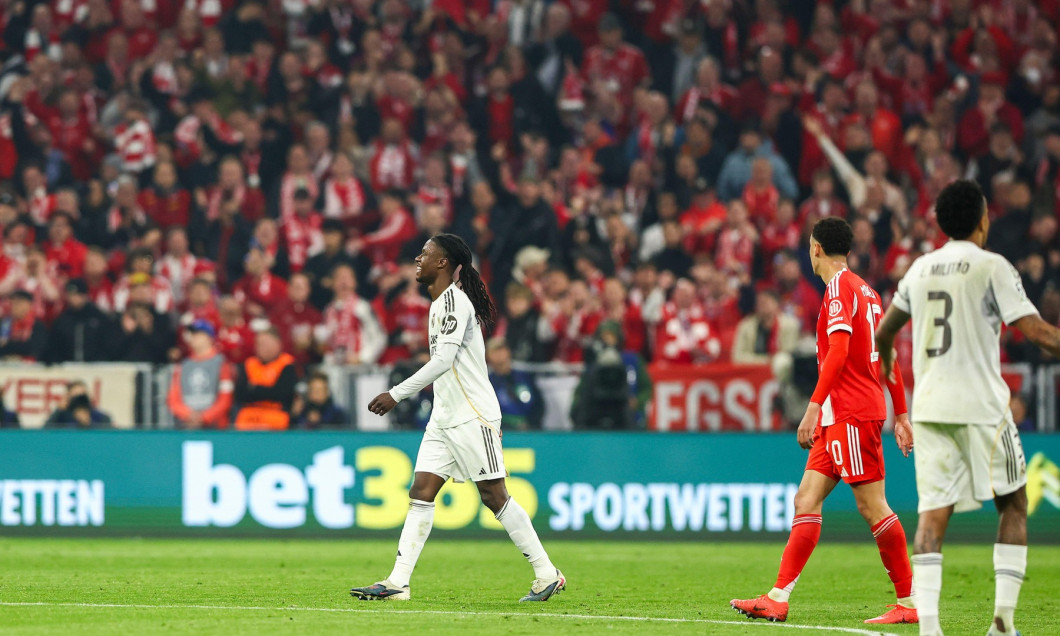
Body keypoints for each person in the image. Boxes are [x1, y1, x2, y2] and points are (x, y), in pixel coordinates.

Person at [874, 180, 1060, 636]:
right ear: (982, 220)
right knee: (1013, 503)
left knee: (933, 513)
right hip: (982, 407)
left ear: (940, 223)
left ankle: (930, 628)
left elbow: (884, 331)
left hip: (931, 407)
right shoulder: (993, 266)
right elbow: (1037, 332)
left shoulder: (920, 269)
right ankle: (1002, 623)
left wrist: (888, 359)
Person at [350, 233, 565, 602]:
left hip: (472, 415)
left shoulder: (453, 303)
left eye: (425, 253)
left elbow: (443, 361)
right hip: (443, 417)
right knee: (421, 491)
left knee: (494, 495)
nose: (417, 259)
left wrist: (396, 394)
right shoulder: (438, 304)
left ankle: (547, 573)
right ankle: (398, 582)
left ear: (443, 263)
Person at [731, 218, 917, 625]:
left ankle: (909, 602)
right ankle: (777, 597)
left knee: (872, 505)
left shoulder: (838, 290)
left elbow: (838, 351)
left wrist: (813, 406)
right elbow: (886, 353)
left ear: (815, 248)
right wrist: (901, 414)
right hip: (841, 416)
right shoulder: (867, 291)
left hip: (850, 412)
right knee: (806, 499)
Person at [167, 320, 234, 429]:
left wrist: (204, 417)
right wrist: (187, 415)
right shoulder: (182, 366)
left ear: (209, 337)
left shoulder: (222, 364)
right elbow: (173, 398)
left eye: (197, 334)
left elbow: (225, 398)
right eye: (192, 334)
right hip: (187, 425)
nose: (192, 337)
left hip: (215, 427)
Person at [233, 327, 298, 431]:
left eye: (266, 344)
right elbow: (240, 394)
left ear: (278, 344)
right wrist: (269, 390)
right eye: (259, 344)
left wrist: (254, 388)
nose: (262, 348)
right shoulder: (248, 364)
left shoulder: (287, 364)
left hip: (276, 418)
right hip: (248, 418)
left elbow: (282, 394)